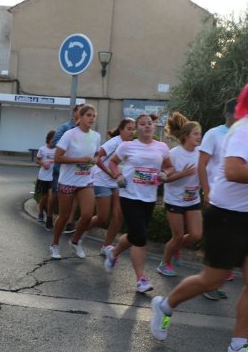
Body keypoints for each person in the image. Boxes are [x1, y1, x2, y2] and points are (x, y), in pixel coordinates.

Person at [149, 78, 248, 352]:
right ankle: (164, 305)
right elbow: (233, 171)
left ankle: (238, 347)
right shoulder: (245, 130)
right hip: (227, 216)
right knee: (213, 279)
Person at [103, 114, 173, 293]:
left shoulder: (162, 147)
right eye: (142, 124)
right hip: (129, 196)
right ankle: (141, 279)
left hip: (149, 198)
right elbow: (112, 163)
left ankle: (114, 252)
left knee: (135, 235)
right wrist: (117, 175)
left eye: (150, 123)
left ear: (154, 126)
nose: (147, 126)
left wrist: (165, 174)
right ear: (137, 128)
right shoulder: (127, 146)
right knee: (140, 238)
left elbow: (169, 166)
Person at [198, 98, 238, 300]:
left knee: (228, 241)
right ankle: (208, 284)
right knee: (216, 240)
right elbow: (202, 164)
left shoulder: (242, 135)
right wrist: (206, 190)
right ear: (228, 113)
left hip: (234, 201)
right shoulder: (214, 134)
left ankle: (214, 280)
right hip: (216, 197)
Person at [49, 104, 101, 259]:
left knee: (87, 215)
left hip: (85, 180)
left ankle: (75, 241)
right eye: (88, 115)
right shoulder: (70, 134)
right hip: (68, 181)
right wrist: (80, 160)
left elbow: (97, 154)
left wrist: (94, 160)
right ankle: (54, 244)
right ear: (81, 116)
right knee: (64, 216)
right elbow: (57, 157)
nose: (91, 118)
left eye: (93, 116)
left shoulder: (96, 136)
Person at [157, 116, 203, 277]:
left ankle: (176, 248)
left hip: (193, 199)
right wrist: (182, 174)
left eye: (200, 134)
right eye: (196, 134)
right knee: (177, 236)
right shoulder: (174, 154)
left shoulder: (201, 154)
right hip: (174, 199)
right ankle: (164, 263)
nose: (199, 137)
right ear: (186, 136)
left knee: (196, 234)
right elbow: (164, 179)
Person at [90, 117, 136, 257]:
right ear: (121, 130)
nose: (132, 132)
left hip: (117, 182)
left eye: (133, 129)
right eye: (129, 129)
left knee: (118, 215)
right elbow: (96, 158)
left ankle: (106, 246)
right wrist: (109, 173)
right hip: (102, 180)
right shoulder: (114, 142)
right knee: (102, 217)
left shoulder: (132, 145)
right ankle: (79, 232)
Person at [51, 104, 83, 234]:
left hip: (77, 168)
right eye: (81, 112)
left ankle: (69, 222)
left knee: (74, 195)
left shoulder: (85, 130)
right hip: (63, 166)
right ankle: (50, 216)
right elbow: (54, 142)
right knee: (56, 194)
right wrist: (70, 146)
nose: (83, 115)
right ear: (74, 113)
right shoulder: (66, 127)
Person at [35, 130, 56, 227]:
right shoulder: (42, 149)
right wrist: (43, 164)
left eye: (55, 140)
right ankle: (40, 212)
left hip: (53, 177)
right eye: (52, 139)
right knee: (44, 197)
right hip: (43, 177)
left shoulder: (57, 150)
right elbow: (37, 160)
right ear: (48, 139)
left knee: (51, 197)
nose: (53, 142)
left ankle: (49, 216)